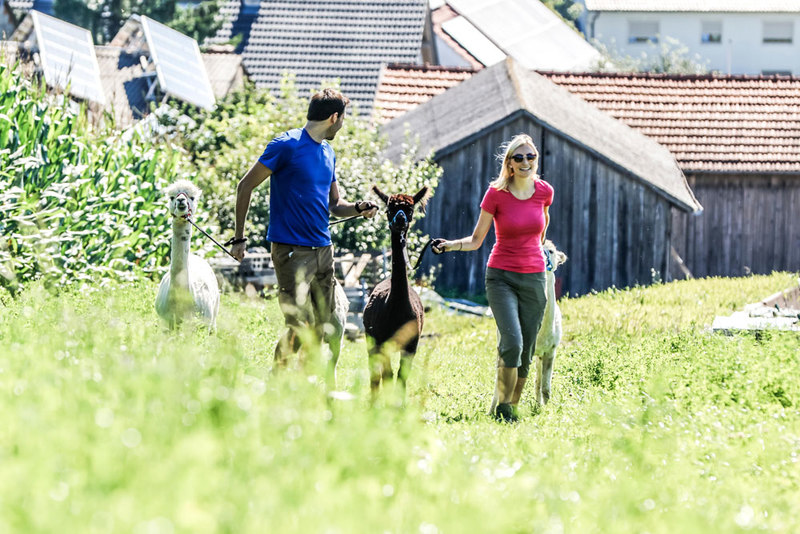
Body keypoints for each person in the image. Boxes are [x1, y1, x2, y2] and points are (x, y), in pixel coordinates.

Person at [230, 88, 378, 366]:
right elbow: (245, 186)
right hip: (291, 253)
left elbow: (335, 205)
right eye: (343, 119)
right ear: (334, 117)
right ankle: (277, 383)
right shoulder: (285, 145)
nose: (343, 125)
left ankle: (302, 386)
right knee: (300, 326)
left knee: (322, 326)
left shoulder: (328, 153)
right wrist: (239, 238)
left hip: (324, 250)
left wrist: (358, 208)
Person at [432, 134, 553, 422]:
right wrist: (450, 244)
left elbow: (542, 228)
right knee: (512, 341)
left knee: (527, 350)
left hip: (534, 278)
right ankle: (502, 407)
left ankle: (511, 406)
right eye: (519, 158)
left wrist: (537, 254)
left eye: (530, 157)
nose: (526, 162)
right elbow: (476, 240)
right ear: (509, 164)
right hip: (501, 277)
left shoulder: (544, 192)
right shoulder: (496, 194)